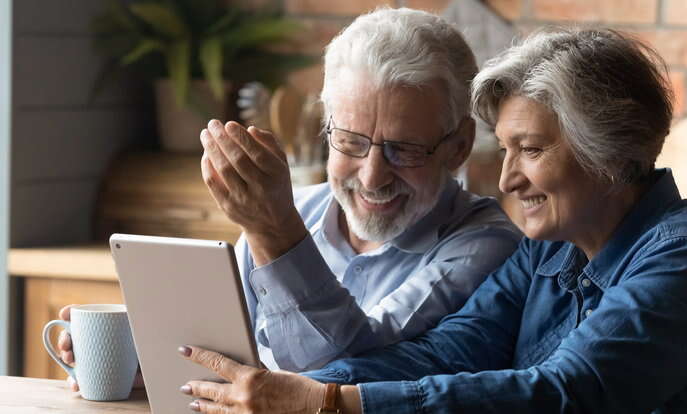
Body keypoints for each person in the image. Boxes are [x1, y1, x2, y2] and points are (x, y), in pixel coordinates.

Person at [177, 28, 687, 413]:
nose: (508, 180)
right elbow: (443, 352)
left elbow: (566, 392)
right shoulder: (549, 250)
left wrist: (328, 402)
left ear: (608, 153)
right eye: (505, 151)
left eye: (530, 150)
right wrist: (282, 392)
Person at [55, 6, 522, 389]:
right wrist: (147, 364)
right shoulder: (296, 207)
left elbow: (340, 377)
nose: (373, 175)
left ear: (458, 146)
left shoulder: (487, 246)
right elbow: (225, 356)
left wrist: (274, 232)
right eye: (351, 142)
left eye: (404, 149)